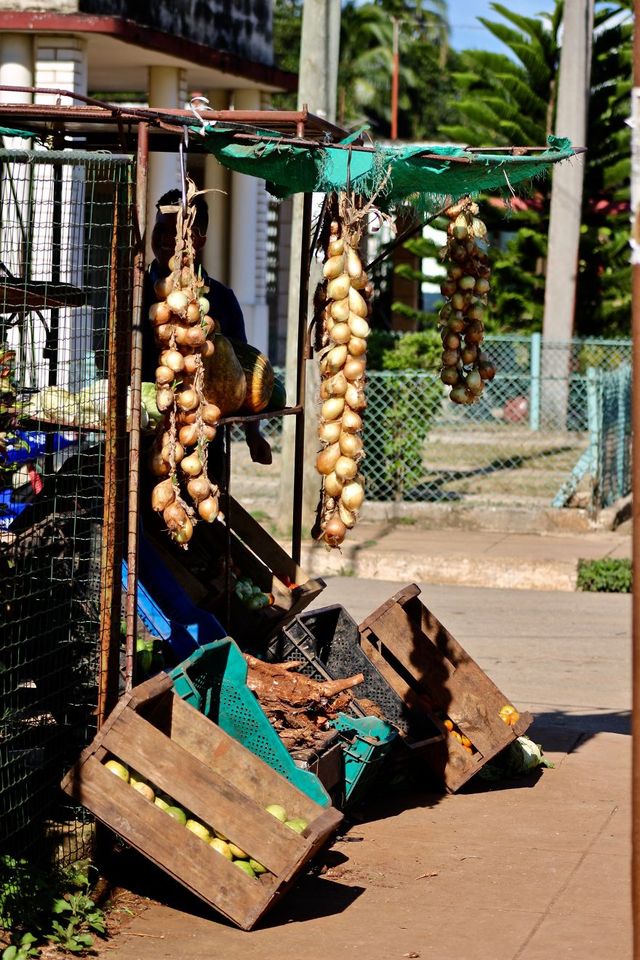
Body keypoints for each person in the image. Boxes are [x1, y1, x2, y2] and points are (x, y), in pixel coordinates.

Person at [142, 188, 272, 466]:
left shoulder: (222, 299)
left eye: (175, 233)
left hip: (203, 437)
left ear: (199, 239)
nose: (165, 239)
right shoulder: (137, 292)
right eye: (159, 229)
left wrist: (253, 434)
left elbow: (245, 375)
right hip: (143, 432)